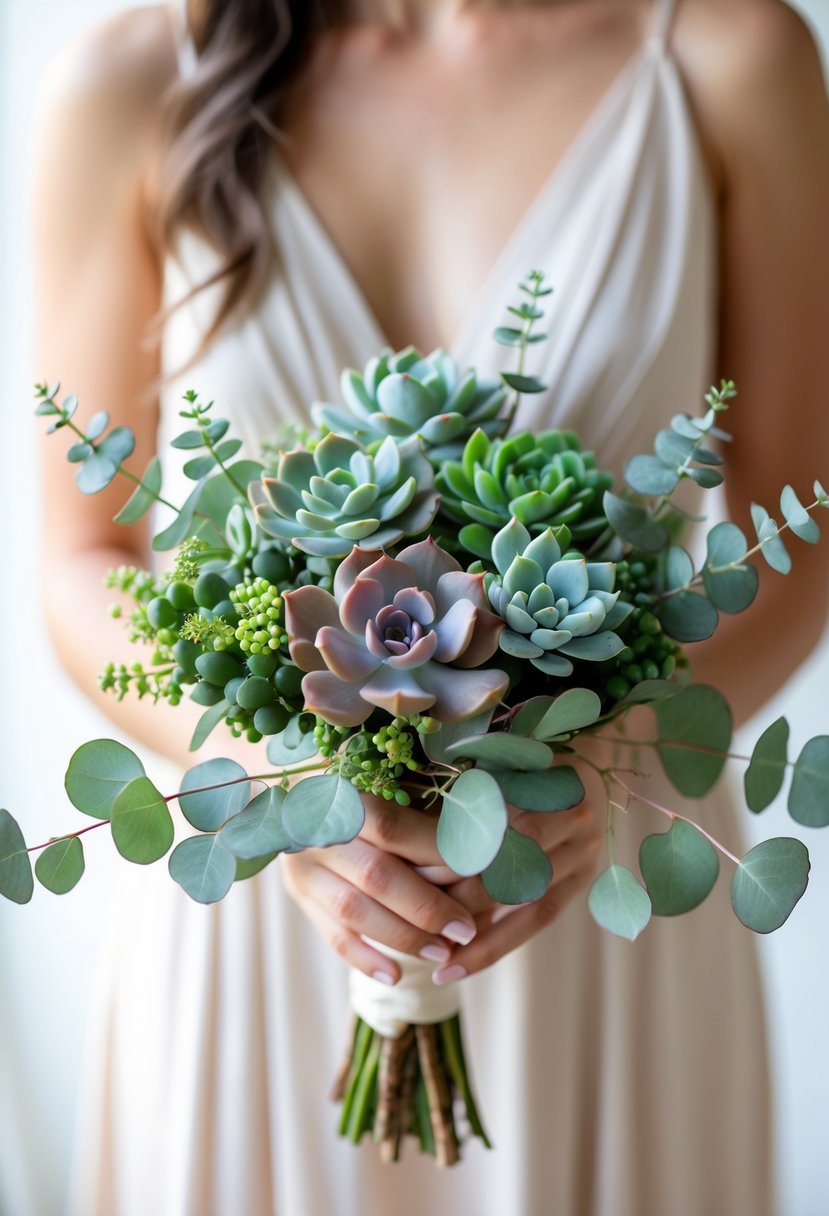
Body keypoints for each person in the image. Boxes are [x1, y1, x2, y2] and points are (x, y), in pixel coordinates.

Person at [31, 0, 829, 1213]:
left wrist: (608, 747)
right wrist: (276, 779)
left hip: (601, 906)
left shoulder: (726, 57)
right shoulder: (134, 75)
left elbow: (800, 529)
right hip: (272, 916)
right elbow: (80, 553)